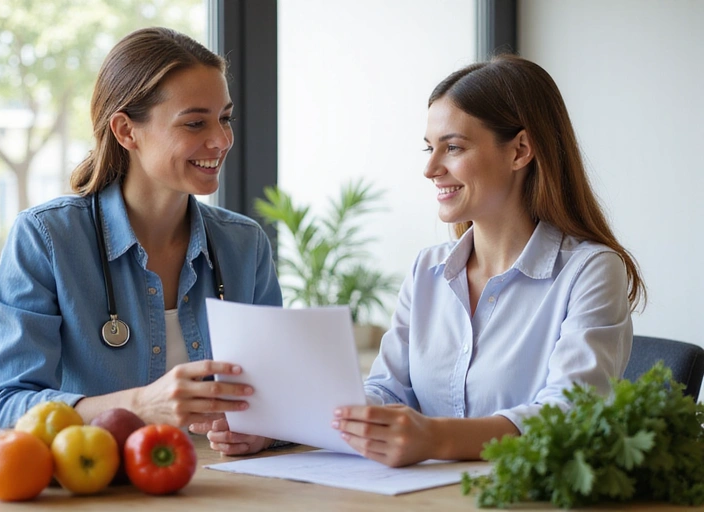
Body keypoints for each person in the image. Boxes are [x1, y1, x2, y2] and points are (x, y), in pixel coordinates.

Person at [206, 54, 646, 465]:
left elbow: (570, 414)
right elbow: (387, 391)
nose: (431, 168)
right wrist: (278, 429)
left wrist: (435, 438)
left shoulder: (590, 271)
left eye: (453, 148)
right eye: (429, 148)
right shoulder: (428, 270)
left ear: (519, 151)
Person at [0, 27, 282, 436]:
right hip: (100, 475)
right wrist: (140, 406)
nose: (221, 140)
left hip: (216, 474)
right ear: (125, 130)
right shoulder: (46, 239)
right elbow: (2, 404)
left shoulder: (244, 244)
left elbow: (277, 393)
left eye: (225, 119)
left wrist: (263, 433)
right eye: (195, 123)